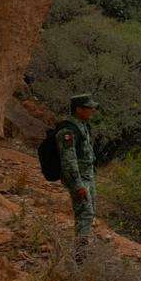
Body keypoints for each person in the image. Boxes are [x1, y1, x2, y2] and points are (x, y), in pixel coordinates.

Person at [55, 93, 99, 261]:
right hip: (80, 179)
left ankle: (82, 251)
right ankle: (79, 256)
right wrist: (77, 185)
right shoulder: (68, 130)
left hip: (88, 176)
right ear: (78, 109)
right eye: (89, 108)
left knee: (89, 213)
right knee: (85, 214)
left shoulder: (83, 125)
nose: (93, 110)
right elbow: (69, 161)